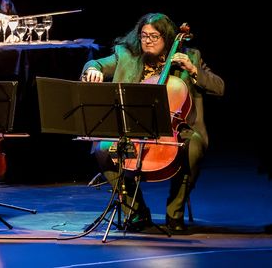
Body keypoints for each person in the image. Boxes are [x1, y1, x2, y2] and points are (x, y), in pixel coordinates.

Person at [81, 13, 224, 233]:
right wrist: (92, 70)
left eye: (154, 36)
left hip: (175, 129)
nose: (147, 41)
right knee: (101, 148)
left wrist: (193, 70)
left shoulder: (190, 56)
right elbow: (97, 63)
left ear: (167, 37)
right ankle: (135, 210)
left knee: (193, 145)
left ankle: (174, 214)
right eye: (143, 35)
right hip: (133, 127)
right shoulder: (126, 54)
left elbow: (219, 87)